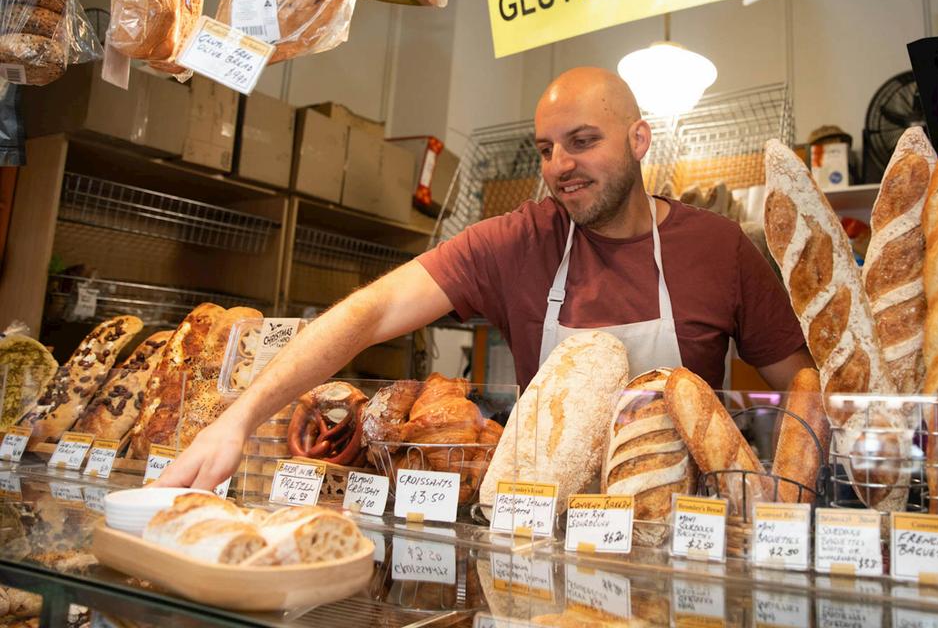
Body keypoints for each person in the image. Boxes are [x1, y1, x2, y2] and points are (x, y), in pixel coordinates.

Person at [157, 67, 813, 489]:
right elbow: (370, 312)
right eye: (547, 149)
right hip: (540, 539)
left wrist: (789, 503)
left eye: (583, 141)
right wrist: (238, 419)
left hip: (680, 543)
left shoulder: (718, 248)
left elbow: (805, 390)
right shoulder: (521, 241)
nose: (560, 166)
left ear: (639, 140)